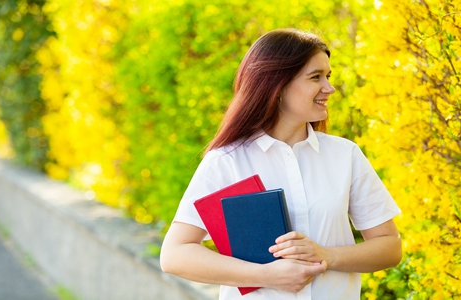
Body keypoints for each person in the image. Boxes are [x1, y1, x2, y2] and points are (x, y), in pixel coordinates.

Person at [160, 28, 402, 299]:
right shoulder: (227, 161)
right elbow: (175, 255)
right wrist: (267, 275)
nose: (329, 88)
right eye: (316, 77)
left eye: (328, 76)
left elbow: (389, 246)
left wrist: (326, 256)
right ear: (278, 85)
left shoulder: (344, 155)